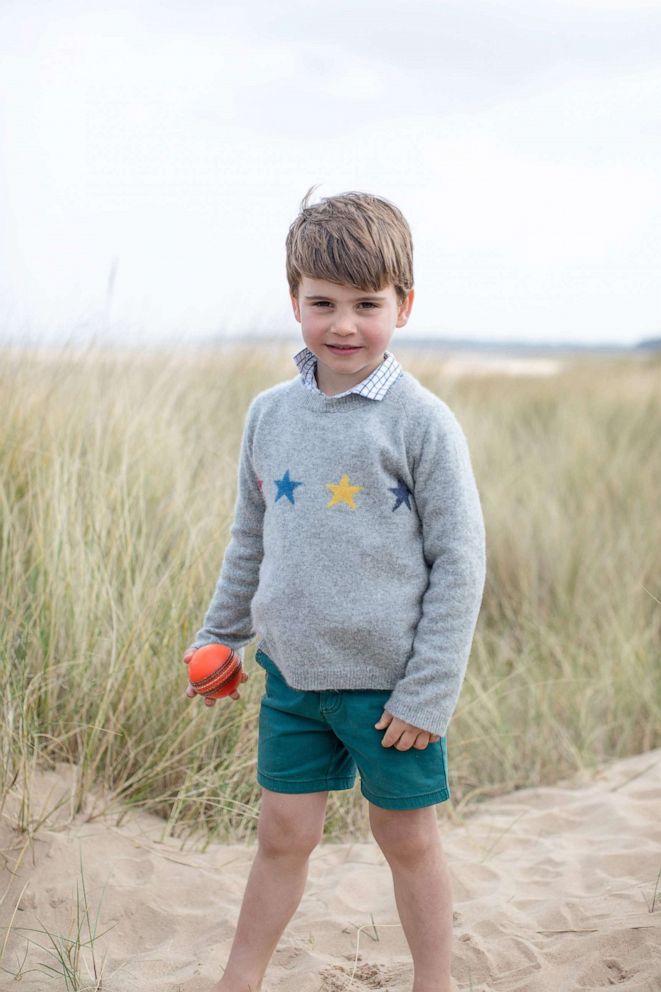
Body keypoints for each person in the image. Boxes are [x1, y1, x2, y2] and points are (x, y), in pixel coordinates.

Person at [183, 188, 486, 992]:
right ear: (293, 301)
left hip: (391, 692)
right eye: (321, 303)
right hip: (292, 680)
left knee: (406, 838)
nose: (343, 324)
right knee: (282, 834)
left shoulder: (421, 423)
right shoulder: (268, 415)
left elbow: (460, 563)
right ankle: (238, 978)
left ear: (404, 306)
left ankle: (435, 982)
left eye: (366, 304)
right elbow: (250, 539)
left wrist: (427, 694)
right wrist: (219, 636)